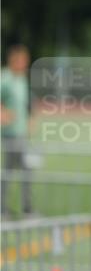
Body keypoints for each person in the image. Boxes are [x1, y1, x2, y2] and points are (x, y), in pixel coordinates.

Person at [1, 45, 32, 216]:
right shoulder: (5, 78)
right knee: (18, 170)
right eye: (22, 60)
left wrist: (29, 120)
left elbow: (25, 103)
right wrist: (2, 113)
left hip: (20, 133)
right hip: (10, 134)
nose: (25, 64)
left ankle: (13, 207)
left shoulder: (22, 79)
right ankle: (24, 209)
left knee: (17, 170)